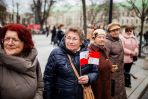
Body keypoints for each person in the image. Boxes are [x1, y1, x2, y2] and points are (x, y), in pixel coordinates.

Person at [43, 26, 98, 99]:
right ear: (65, 38)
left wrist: (89, 78)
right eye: (68, 38)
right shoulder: (56, 53)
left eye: (74, 39)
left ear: (81, 42)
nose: (70, 42)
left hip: (82, 95)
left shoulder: (89, 53)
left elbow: (95, 72)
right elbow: (48, 80)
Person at [0, 24, 43, 99]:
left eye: (15, 40)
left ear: (25, 43)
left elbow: (40, 87)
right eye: (7, 39)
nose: (10, 43)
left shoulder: (32, 59)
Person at [89, 29, 117, 99]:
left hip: (105, 84)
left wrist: (110, 67)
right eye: (99, 37)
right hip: (97, 87)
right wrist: (108, 66)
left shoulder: (104, 49)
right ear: (94, 38)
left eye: (104, 37)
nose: (102, 39)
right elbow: (91, 71)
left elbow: (103, 62)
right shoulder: (91, 51)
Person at [105, 22, 127, 99]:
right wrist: (110, 67)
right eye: (113, 30)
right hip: (112, 74)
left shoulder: (119, 40)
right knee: (113, 93)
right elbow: (105, 58)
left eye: (117, 30)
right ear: (109, 32)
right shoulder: (107, 42)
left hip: (120, 72)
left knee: (120, 92)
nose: (116, 32)